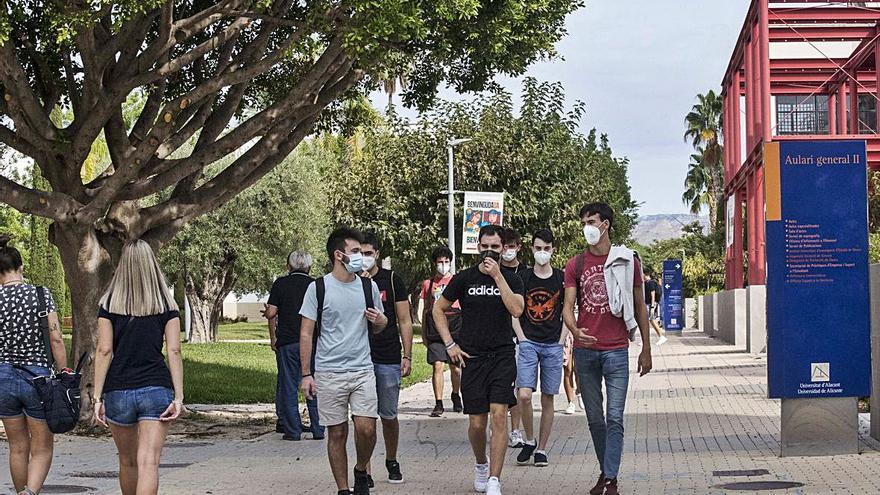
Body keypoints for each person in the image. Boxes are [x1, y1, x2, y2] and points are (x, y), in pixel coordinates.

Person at [563, 202, 652, 495]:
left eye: (592, 221)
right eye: (583, 222)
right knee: (594, 418)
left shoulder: (629, 262)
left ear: (606, 224)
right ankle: (607, 473)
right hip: (585, 352)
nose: (586, 227)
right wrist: (575, 331)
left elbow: (640, 306)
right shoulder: (575, 264)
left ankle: (610, 479)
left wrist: (645, 348)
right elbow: (567, 308)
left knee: (615, 417)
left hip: (615, 349)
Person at [432, 224, 525, 495]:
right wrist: (449, 344)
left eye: (495, 247)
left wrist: (498, 277)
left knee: (499, 416)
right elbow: (438, 309)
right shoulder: (464, 278)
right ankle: (481, 463)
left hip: (502, 356)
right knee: (476, 424)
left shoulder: (511, 278)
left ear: (503, 248)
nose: (489, 251)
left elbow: (517, 310)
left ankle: (495, 479)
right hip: (472, 358)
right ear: (477, 247)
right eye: (484, 246)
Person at [299, 227, 388, 495]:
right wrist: (306, 374)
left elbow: (381, 323)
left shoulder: (367, 285)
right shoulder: (318, 288)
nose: (362, 256)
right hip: (329, 372)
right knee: (336, 433)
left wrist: (380, 321)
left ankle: (361, 468)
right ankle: (343, 489)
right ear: (339, 255)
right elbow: (306, 331)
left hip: (362, 370)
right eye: (356, 252)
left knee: (367, 429)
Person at [93, 240, 185, 495]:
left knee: (127, 461)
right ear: (152, 266)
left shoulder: (109, 305)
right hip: (156, 389)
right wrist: (178, 397)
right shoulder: (168, 307)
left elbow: (103, 350)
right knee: (149, 463)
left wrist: (97, 397)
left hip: (118, 390)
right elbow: (174, 351)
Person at [0, 235, 68, 495]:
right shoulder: (40, 294)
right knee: (42, 446)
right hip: (37, 378)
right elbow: (56, 338)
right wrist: (64, 373)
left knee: (17, 446)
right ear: (21, 268)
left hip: (3, 378)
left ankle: (21, 492)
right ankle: (29, 494)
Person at [360, 233, 414, 484]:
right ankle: (365, 469)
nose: (364, 258)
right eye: (359, 253)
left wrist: (407, 355)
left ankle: (391, 459)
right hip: (359, 358)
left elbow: (404, 320)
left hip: (388, 355)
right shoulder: (349, 281)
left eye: (368, 253)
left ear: (377, 254)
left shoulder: (392, 280)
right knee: (363, 418)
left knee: (388, 415)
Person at [512, 229, 566, 467]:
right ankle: (529, 440)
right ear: (532, 249)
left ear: (553, 250)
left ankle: (541, 449)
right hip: (529, 343)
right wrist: (522, 338)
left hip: (553, 344)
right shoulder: (522, 277)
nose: (542, 253)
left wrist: (563, 340)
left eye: (546, 248)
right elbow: (515, 311)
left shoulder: (561, 278)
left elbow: (568, 310)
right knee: (523, 395)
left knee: (548, 398)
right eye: (538, 248)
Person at [265, 250, 324, 441]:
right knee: (313, 382)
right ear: (309, 267)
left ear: (288, 266)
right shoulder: (316, 285)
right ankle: (318, 428)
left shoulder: (280, 284)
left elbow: (272, 312)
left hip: (288, 341)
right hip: (312, 342)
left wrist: (267, 315)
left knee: (289, 385)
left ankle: (293, 430)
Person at [420, 246, 463, 417]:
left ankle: (455, 394)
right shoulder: (428, 284)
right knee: (437, 365)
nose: (443, 265)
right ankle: (438, 403)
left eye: (446, 262)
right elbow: (424, 310)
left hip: (455, 329)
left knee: (456, 369)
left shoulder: (457, 281)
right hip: (435, 332)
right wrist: (424, 334)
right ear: (434, 263)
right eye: (440, 262)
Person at [500, 227, 528, 448]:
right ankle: (496, 424)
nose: (507, 251)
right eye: (504, 246)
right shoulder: (493, 271)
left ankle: (516, 430)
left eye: (511, 246)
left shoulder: (525, 274)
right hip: (497, 335)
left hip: (521, 338)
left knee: (520, 387)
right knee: (501, 387)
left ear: (518, 247)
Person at [642, 271, 667, 346]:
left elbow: (652, 294)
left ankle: (661, 337)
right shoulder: (646, 283)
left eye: (642, 274)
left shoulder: (651, 282)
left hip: (651, 304)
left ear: (646, 274)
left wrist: (652, 306)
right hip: (648, 304)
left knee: (652, 320)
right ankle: (645, 340)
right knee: (649, 321)